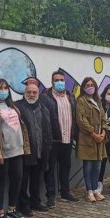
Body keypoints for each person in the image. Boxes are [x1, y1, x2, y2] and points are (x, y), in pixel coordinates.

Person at [0, 78, 31, 218]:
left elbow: (21, 126)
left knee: (17, 179)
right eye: (0, 87)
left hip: (17, 149)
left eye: (5, 87)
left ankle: (12, 209)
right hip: (2, 152)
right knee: (0, 181)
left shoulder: (12, 105)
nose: (3, 90)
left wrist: (25, 147)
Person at [41, 70, 78, 208]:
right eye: (56, 80)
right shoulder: (46, 97)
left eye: (62, 80)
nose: (60, 82)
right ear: (52, 82)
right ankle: (50, 196)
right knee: (50, 169)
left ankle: (65, 192)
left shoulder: (70, 97)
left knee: (65, 167)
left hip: (67, 139)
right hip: (53, 140)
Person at [15, 79, 52, 217]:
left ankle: (35, 202)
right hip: (24, 151)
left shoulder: (43, 108)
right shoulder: (17, 107)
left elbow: (48, 130)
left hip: (40, 150)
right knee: (23, 181)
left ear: (38, 94)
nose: (31, 94)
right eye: (29, 92)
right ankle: (23, 205)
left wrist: (48, 148)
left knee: (36, 178)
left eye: (34, 92)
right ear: (24, 93)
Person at [76, 77, 108, 202]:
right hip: (87, 138)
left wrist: (104, 132)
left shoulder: (98, 100)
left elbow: (104, 118)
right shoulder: (81, 101)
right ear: (83, 88)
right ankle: (89, 191)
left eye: (92, 84)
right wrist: (93, 133)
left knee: (97, 166)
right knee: (88, 166)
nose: (90, 87)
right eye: (87, 85)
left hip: (100, 139)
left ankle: (95, 190)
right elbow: (81, 120)